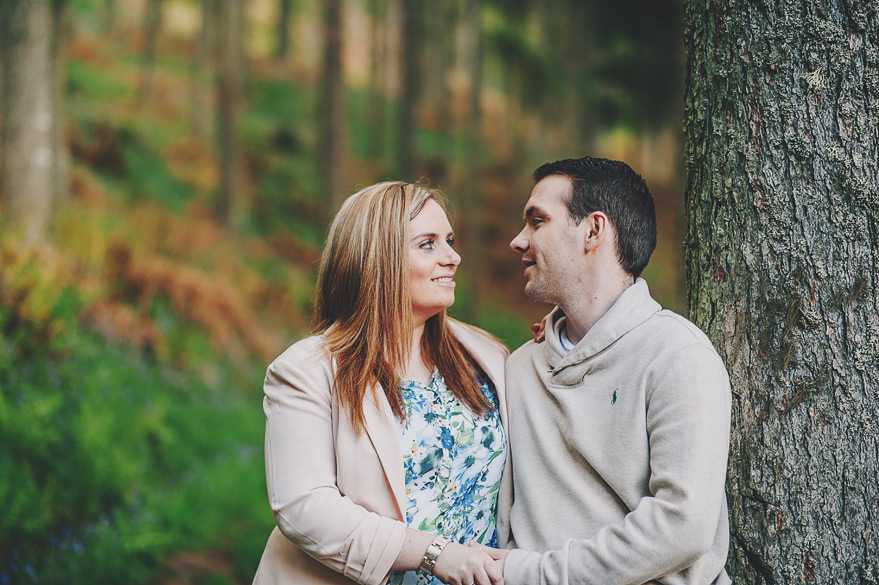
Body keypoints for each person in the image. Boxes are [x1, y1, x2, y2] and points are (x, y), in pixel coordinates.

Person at [476, 157, 732, 584]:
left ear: (593, 230)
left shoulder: (677, 357)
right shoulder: (519, 368)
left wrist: (534, 575)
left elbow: (682, 526)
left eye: (537, 221)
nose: (517, 241)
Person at [252, 181, 510, 585]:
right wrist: (434, 554)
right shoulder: (308, 371)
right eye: (428, 244)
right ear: (379, 258)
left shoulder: (486, 355)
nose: (453, 257)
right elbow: (304, 506)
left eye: (450, 240)